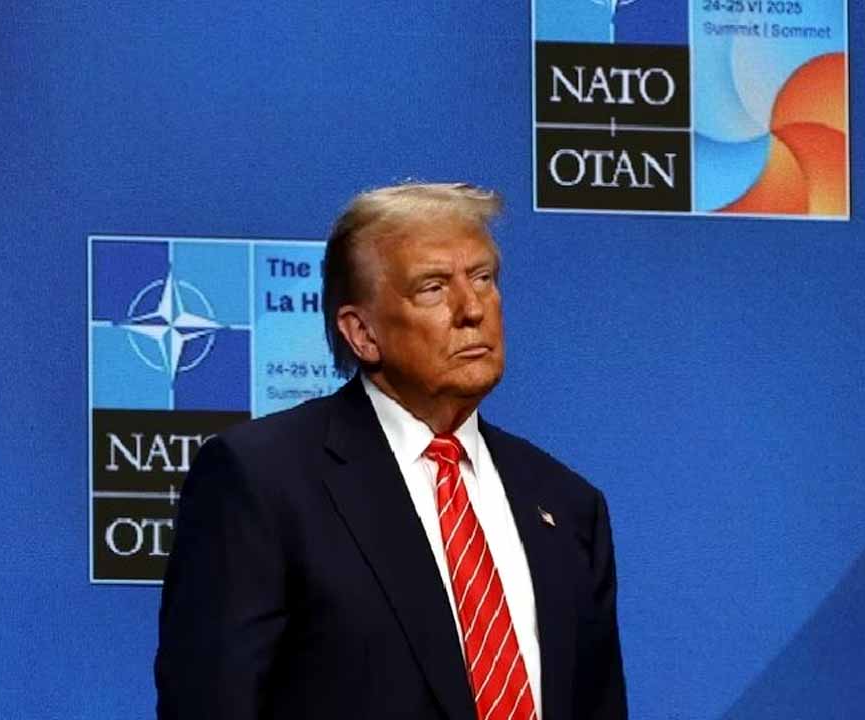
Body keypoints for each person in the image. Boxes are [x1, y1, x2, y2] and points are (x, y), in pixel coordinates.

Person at [155, 183, 626, 720]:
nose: (472, 309)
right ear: (362, 333)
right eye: (433, 288)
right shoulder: (263, 481)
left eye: (483, 278)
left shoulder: (566, 504)